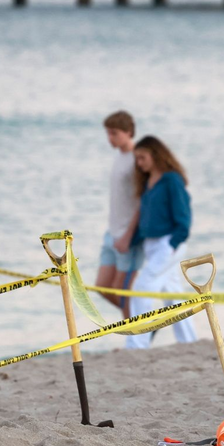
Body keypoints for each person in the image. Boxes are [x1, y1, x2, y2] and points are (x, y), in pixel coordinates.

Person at [124, 135, 198, 350]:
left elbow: (183, 217)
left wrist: (173, 244)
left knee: (141, 288)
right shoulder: (148, 183)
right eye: (137, 159)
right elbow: (148, 219)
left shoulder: (172, 180)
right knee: (173, 296)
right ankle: (189, 342)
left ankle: (136, 344)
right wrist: (131, 241)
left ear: (155, 155)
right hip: (151, 245)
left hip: (168, 243)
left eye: (142, 157)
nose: (139, 163)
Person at [97, 111, 142, 315]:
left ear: (128, 132)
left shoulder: (136, 160)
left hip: (128, 236)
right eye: (108, 133)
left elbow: (143, 201)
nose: (110, 138)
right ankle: (143, 324)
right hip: (112, 232)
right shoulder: (119, 157)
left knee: (123, 291)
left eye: (114, 133)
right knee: (103, 287)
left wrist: (128, 235)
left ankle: (135, 342)